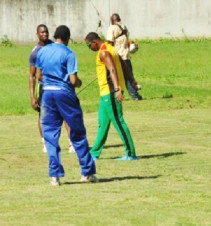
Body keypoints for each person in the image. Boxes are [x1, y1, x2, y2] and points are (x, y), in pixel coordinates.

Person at [36, 25, 97, 186]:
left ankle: (54, 176)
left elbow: (39, 75)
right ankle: (87, 172)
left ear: (55, 36)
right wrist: (78, 83)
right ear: (68, 39)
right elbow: (72, 80)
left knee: (50, 134)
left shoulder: (43, 51)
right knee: (77, 132)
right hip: (65, 94)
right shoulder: (69, 53)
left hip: (47, 94)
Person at [85, 32, 138, 161]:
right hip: (104, 93)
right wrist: (132, 80)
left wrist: (117, 89)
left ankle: (130, 154)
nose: (89, 49)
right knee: (102, 123)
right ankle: (94, 153)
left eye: (89, 46)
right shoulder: (110, 48)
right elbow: (123, 65)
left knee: (118, 121)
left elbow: (113, 69)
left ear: (95, 42)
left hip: (111, 93)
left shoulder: (103, 52)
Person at [28, 24, 75, 153]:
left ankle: (72, 143)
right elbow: (33, 76)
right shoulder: (35, 53)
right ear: (37, 34)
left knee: (66, 114)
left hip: (62, 87)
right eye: (42, 32)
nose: (45, 34)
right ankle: (46, 143)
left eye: (47, 32)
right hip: (45, 88)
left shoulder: (56, 46)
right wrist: (32, 96)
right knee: (44, 115)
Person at [106, 13, 142, 101]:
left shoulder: (112, 28)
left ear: (112, 21)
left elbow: (109, 43)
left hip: (116, 56)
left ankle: (113, 95)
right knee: (129, 76)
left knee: (113, 76)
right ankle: (135, 96)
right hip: (126, 55)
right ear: (119, 19)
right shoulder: (125, 27)